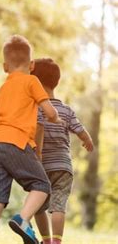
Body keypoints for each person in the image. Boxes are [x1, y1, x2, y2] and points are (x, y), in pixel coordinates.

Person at [0, 35, 63, 244]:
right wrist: (56, 118)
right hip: (15, 141)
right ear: (32, 65)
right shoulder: (31, 80)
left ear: (5, 67)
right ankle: (23, 219)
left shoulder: (2, 89)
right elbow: (49, 111)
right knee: (42, 185)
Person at [31, 58, 94, 244]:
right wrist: (88, 141)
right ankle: (57, 242)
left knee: (38, 206)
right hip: (63, 167)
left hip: (41, 166)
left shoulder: (36, 109)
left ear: (36, 83)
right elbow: (80, 130)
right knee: (59, 206)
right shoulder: (65, 110)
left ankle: (47, 240)